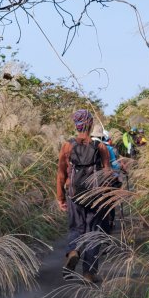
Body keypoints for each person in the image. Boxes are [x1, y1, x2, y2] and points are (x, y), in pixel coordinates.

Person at [57, 110, 110, 282]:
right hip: (95, 195)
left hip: (74, 194)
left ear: (76, 125)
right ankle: (89, 273)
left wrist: (61, 198)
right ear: (91, 124)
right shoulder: (100, 147)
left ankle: (73, 251)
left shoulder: (67, 146)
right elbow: (107, 173)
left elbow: (61, 175)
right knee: (93, 231)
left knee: (76, 228)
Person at [91, 125, 123, 235]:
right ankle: (110, 222)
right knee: (110, 203)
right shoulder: (108, 148)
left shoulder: (89, 146)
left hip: (91, 181)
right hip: (107, 180)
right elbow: (114, 165)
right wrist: (120, 169)